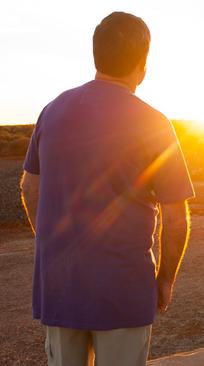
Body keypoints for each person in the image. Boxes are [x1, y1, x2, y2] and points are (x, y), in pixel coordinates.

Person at [19, 12, 194, 366]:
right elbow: (176, 220)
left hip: (60, 287)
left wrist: (52, 241)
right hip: (123, 292)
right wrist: (165, 280)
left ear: (96, 55)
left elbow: (29, 188)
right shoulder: (155, 123)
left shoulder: (52, 111)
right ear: (143, 65)